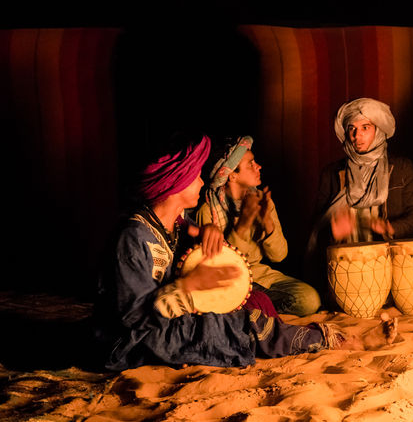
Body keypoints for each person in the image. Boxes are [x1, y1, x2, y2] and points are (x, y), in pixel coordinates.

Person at [95, 134, 396, 370]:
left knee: (251, 318)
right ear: (175, 183)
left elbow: (273, 253)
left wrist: (218, 231)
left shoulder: (174, 222)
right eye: (195, 176)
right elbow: (132, 318)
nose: (202, 180)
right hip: (135, 341)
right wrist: (189, 288)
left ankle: (337, 338)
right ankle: (341, 340)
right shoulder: (133, 237)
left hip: (172, 321)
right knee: (240, 327)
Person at [305, 98, 413, 294]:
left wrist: (390, 227)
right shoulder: (332, 174)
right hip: (348, 273)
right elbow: (314, 232)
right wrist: (333, 233)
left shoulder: (401, 168)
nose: (357, 135)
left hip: (393, 268)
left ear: (378, 130)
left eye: (365, 128)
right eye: (351, 129)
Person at [196, 136, 320, 317]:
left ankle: (256, 311)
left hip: (261, 276)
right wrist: (244, 223)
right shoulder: (208, 211)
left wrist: (267, 222)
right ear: (232, 175)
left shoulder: (261, 200)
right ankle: (252, 312)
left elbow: (279, 256)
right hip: (229, 281)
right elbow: (221, 265)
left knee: (309, 299)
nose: (258, 167)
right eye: (251, 164)